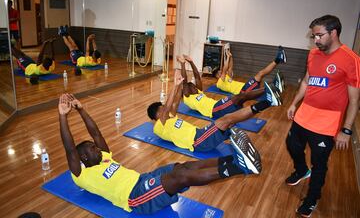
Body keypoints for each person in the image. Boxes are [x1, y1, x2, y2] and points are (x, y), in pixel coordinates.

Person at [59, 93, 261, 215]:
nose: (97, 148)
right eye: (91, 149)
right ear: (83, 158)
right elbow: (69, 148)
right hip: (136, 197)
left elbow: (96, 133)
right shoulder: (81, 175)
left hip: (142, 178)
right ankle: (240, 167)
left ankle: (234, 159)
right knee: (180, 177)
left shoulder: (104, 157)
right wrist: (63, 116)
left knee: (181, 166)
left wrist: (81, 109)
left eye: (94, 146)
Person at [286, 15, 360, 217]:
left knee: (319, 164)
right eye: (313, 36)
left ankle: (311, 199)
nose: (315, 40)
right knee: (292, 144)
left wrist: (346, 129)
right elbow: (306, 82)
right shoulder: (313, 54)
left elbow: (354, 100)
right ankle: (301, 170)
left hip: (327, 122)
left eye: (319, 35)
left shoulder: (351, 60)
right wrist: (294, 103)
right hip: (305, 113)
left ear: (334, 32)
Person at [147, 70, 280, 166]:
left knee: (229, 120)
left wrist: (179, 85)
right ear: (157, 113)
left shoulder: (170, 117)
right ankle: (268, 100)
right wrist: (175, 86)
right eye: (162, 107)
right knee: (225, 120)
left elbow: (175, 102)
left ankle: (268, 101)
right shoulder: (158, 127)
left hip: (200, 134)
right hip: (197, 141)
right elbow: (169, 106)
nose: (166, 108)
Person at [178, 54, 283, 119]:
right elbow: (184, 81)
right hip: (214, 110)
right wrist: (183, 64)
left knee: (243, 98)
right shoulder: (188, 98)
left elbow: (197, 75)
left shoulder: (198, 91)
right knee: (240, 97)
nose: (195, 86)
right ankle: (270, 89)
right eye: (192, 86)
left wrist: (191, 61)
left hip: (218, 106)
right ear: (186, 91)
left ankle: (270, 98)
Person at [215, 46, 286, 95]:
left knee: (261, 75)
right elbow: (225, 69)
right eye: (219, 73)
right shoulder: (220, 82)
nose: (221, 72)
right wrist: (227, 57)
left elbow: (230, 68)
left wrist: (230, 56)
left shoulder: (226, 77)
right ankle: (279, 59)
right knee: (260, 74)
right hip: (243, 91)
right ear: (217, 76)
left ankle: (279, 59)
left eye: (220, 71)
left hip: (246, 87)